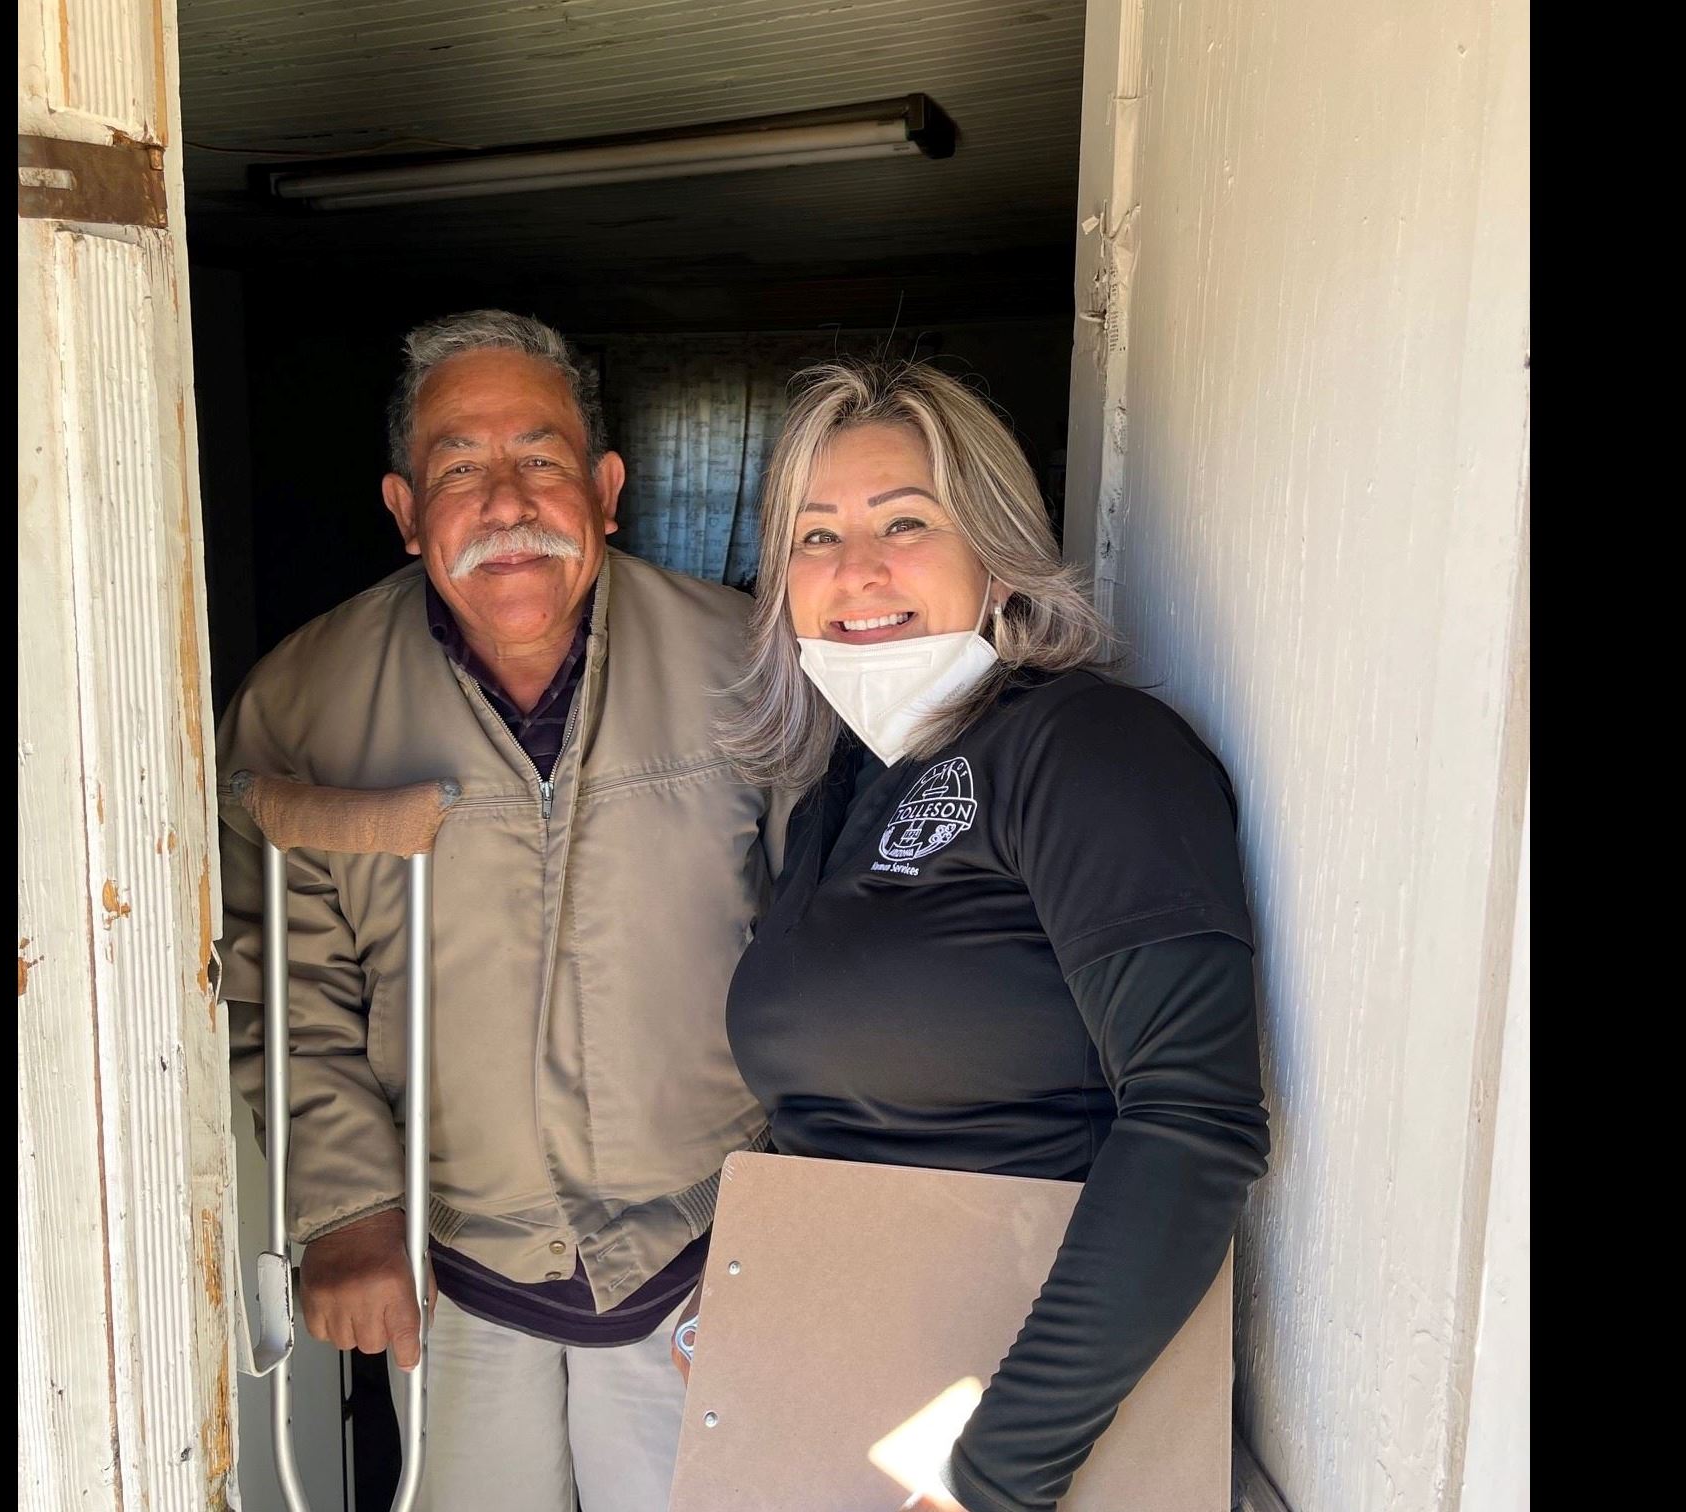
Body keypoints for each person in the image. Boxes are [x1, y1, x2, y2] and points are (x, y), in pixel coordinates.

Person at [217, 309, 782, 1512]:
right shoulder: (304, 700)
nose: (506, 499)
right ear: (406, 510)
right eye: (459, 466)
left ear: (608, 487)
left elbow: (833, 960)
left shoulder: (753, 666)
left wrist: (810, 1214)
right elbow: (281, 982)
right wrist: (348, 1204)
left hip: (710, 1247)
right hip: (447, 1260)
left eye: (541, 456)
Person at [706, 358, 1271, 1512]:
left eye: (904, 522)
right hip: (834, 1397)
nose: (855, 571)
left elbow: (1192, 1123)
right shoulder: (839, 796)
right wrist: (752, 1307)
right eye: (813, 537)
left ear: (997, 545)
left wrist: (993, 1475)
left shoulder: (1092, 752)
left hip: (1021, 1428)